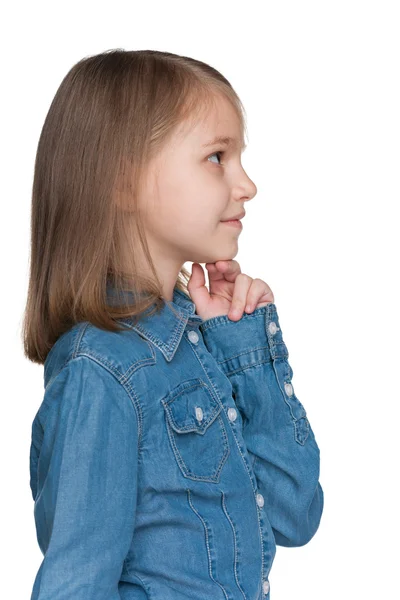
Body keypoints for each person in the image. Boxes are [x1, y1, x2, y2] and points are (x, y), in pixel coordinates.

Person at [23, 49, 324, 600]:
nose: (246, 184)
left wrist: (245, 350)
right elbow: (74, 587)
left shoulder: (198, 348)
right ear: (122, 180)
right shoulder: (102, 372)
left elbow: (295, 512)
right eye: (216, 157)